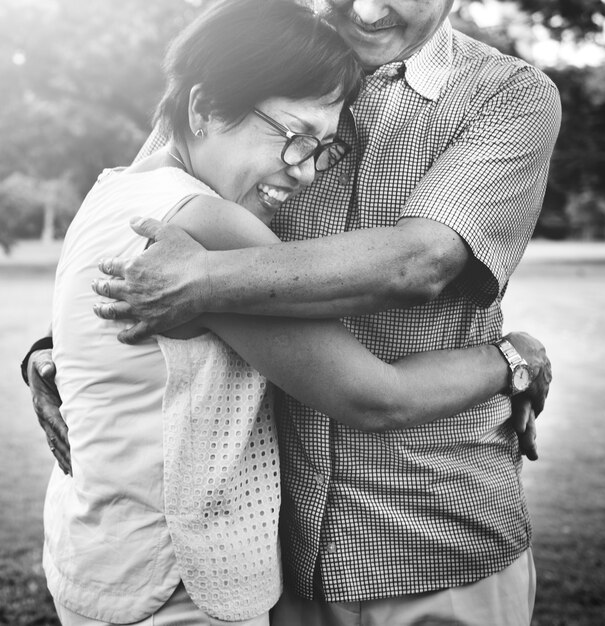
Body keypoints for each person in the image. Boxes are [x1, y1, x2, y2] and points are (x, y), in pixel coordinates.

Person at [21, 1, 552, 625]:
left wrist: (208, 280)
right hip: (276, 548)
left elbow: (419, 263)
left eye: (322, 148)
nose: (366, 7)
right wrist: (63, 349)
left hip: (434, 533)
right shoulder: (248, 57)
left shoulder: (507, 94)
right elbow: (152, 221)